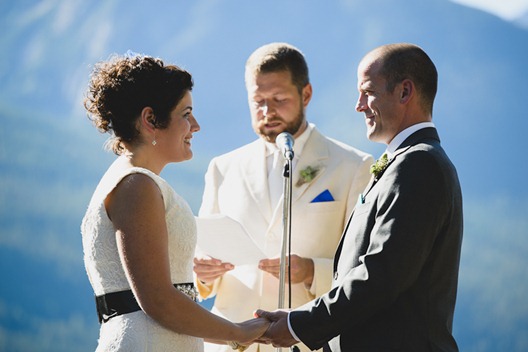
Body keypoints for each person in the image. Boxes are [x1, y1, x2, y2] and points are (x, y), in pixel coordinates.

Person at [256, 43, 464, 351]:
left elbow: (381, 276)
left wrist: (298, 325)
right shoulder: (405, 161)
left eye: (367, 92)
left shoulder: (419, 164)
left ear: (405, 92)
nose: (359, 105)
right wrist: (298, 318)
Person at [81, 53, 268, 352]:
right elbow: (157, 301)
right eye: (186, 114)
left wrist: (233, 334)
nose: (196, 126)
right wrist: (238, 331)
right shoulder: (136, 185)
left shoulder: (131, 180)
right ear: (150, 120)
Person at [193, 42, 373, 352]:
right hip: (231, 343)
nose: (267, 111)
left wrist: (311, 270)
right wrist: (202, 273)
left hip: (308, 342)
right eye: (258, 101)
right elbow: (200, 264)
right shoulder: (222, 168)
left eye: (279, 99)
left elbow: (364, 272)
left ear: (306, 94)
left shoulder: (354, 166)